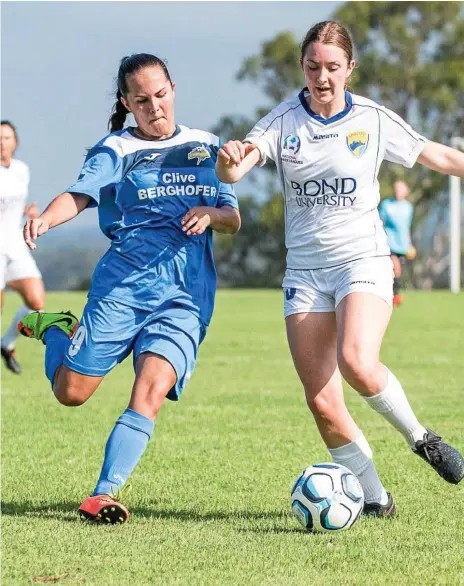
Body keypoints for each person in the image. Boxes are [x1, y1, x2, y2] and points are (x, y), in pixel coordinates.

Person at [216, 21, 464, 516]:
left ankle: (421, 439)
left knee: (357, 360)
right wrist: (228, 163)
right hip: (305, 274)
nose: (322, 77)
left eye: (332, 67)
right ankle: (375, 500)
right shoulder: (283, 121)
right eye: (313, 67)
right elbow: (236, 168)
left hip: (363, 260)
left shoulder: (371, 119)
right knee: (323, 403)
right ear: (302, 68)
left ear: (350, 68)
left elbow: (431, 153)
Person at [18, 53, 241, 524]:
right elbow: (79, 195)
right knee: (72, 392)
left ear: (173, 89)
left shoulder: (206, 146)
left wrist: (212, 215)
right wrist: (45, 220)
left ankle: (104, 493)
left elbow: (233, 216)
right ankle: (58, 329)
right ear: (127, 102)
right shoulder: (115, 150)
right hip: (122, 292)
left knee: (152, 388)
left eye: (160, 95)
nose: (155, 107)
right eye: (142, 100)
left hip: (184, 296)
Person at [1, 121, 45, 374]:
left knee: (36, 301)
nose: (2, 142)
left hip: (15, 245)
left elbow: (15, 204)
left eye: (6, 137)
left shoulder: (21, 170)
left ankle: (7, 343)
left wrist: (28, 212)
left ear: (15, 142)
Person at [378, 180, 415, 306]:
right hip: (389, 241)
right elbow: (379, 222)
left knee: (398, 270)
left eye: (401, 189)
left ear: (406, 191)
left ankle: (392, 293)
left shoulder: (408, 207)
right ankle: (395, 295)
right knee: (395, 266)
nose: (398, 191)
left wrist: (409, 243)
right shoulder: (386, 205)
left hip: (402, 243)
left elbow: (406, 227)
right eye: (396, 189)